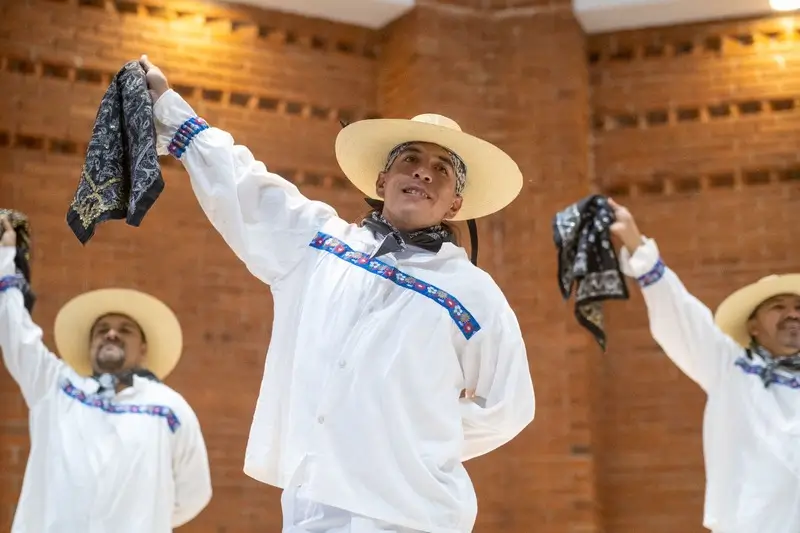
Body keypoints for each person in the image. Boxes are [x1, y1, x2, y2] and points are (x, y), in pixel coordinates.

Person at [140, 55, 535, 533]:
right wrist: (168, 109)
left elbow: (508, 407)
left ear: (455, 203)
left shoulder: (473, 294)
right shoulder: (318, 245)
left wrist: (412, 438)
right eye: (410, 159)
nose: (423, 173)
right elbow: (246, 186)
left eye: (441, 168)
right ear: (382, 181)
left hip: (414, 514)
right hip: (314, 504)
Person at [0, 215, 212, 533]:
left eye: (125, 329)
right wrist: (6, 256)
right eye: (102, 330)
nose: (111, 334)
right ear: (89, 346)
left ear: (143, 348)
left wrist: (141, 516)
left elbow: (193, 494)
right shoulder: (56, 389)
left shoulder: (170, 408)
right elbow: (16, 334)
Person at [609, 198, 800, 533]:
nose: (792, 315)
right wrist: (637, 245)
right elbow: (682, 317)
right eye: (778, 307)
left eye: (799, 308)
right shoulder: (730, 367)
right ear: (753, 327)